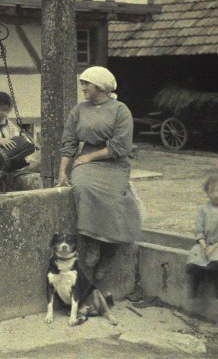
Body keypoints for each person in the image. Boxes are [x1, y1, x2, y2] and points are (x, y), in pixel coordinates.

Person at [58, 66, 141, 281]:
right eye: (82, 84)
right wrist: (62, 173)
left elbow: (121, 147)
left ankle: (108, 250)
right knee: (82, 188)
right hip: (87, 161)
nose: (83, 88)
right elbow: (68, 143)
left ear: (101, 86)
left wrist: (91, 157)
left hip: (113, 162)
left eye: (87, 84)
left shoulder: (120, 110)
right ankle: (93, 245)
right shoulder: (79, 110)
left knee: (115, 199)